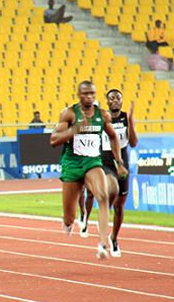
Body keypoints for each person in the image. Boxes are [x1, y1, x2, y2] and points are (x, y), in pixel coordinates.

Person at [50, 80, 127, 259]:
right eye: (85, 94)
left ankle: (102, 244)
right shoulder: (69, 113)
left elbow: (113, 137)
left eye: (92, 93)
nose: (89, 97)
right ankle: (69, 221)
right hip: (72, 164)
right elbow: (54, 140)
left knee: (103, 195)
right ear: (79, 95)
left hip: (92, 162)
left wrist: (119, 162)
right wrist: (74, 130)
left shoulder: (102, 115)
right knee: (69, 217)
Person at [80, 90, 138, 257]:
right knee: (108, 190)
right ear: (107, 101)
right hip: (105, 161)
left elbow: (133, 143)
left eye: (118, 98)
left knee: (119, 207)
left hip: (123, 163)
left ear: (121, 101)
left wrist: (131, 123)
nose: (115, 101)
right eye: (111, 98)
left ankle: (114, 238)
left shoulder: (126, 118)